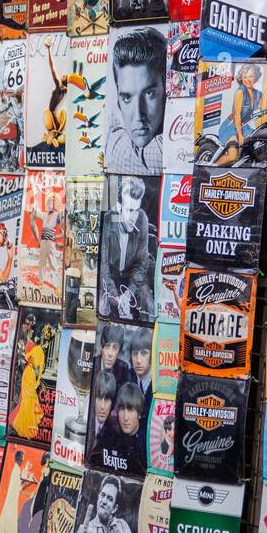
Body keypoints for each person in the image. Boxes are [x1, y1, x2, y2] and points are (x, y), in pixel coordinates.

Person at [104, 27, 166, 173]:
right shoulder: (117, 145)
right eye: (126, 98)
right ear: (118, 101)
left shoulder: (115, 144)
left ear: (166, 91)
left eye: (149, 93)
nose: (138, 115)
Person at [99, 176, 153, 320]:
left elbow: (141, 265)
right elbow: (103, 266)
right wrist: (115, 296)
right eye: (129, 210)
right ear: (119, 206)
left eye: (136, 210)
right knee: (100, 303)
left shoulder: (142, 219)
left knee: (147, 298)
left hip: (131, 279)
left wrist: (128, 294)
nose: (133, 217)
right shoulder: (108, 220)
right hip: (111, 278)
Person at [93, 385, 145, 476]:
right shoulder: (109, 438)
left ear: (139, 413)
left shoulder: (146, 445)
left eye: (130, 410)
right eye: (121, 409)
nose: (125, 417)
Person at [88, 371, 117, 458]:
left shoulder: (114, 433)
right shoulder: (87, 423)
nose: (102, 406)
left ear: (112, 402)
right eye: (99, 398)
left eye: (107, 399)